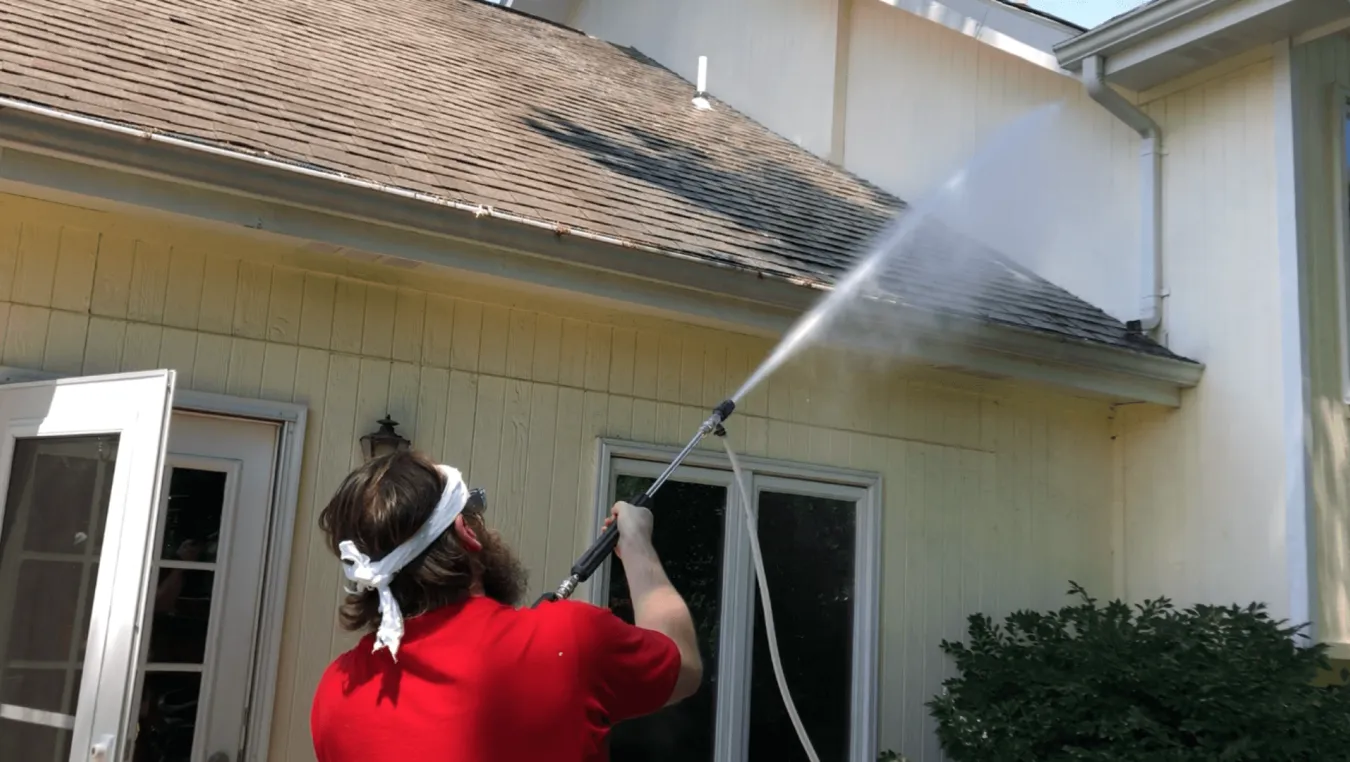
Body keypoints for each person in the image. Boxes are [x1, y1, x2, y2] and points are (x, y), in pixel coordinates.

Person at [309, 450, 702, 762]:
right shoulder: (568, 640)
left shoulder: (336, 691)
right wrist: (637, 547)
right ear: (466, 533)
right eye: (473, 507)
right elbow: (683, 666)